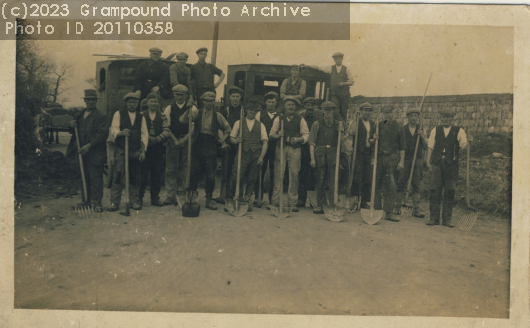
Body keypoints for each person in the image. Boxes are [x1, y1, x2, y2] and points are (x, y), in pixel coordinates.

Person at [179, 92, 231, 210]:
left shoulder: (218, 115)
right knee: (194, 172)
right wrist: (188, 109)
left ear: (214, 102)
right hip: (197, 143)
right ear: (203, 102)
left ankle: (209, 199)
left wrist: (221, 140)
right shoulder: (197, 113)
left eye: (211, 101)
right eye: (207, 101)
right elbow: (183, 120)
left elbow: (228, 128)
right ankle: (191, 197)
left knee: (210, 175)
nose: (209, 103)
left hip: (211, 145)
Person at [67, 89, 108, 212]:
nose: (91, 102)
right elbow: (73, 131)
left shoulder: (101, 116)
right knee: (83, 175)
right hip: (81, 152)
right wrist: (71, 125)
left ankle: (96, 202)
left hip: (95, 152)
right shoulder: (80, 115)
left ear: (96, 101)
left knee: (95, 177)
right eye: (88, 99)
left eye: (93, 100)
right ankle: (86, 199)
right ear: (85, 101)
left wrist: (89, 146)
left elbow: (101, 134)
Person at [426, 108, 467, 227]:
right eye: (443, 117)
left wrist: (468, 143)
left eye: (448, 117)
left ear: (452, 119)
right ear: (441, 118)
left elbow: (464, 146)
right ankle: (433, 218)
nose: (445, 119)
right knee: (434, 190)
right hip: (437, 163)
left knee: (450, 191)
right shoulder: (435, 130)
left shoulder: (459, 131)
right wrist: (428, 161)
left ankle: (446, 219)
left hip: (452, 165)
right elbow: (430, 147)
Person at [107, 92, 148, 211]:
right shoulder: (119, 114)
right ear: (126, 103)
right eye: (130, 102)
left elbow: (144, 135)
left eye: (135, 102)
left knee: (135, 176)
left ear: (137, 103)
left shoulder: (141, 117)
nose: (132, 104)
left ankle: (133, 201)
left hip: (135, 150)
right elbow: (114, 129)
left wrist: (143, 151)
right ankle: (115, 202)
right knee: (118, 176)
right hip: (121, 150)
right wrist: (121, 133)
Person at [226, 98, 268, 212]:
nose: (252, 112)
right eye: (250, 110)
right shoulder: (238, 122)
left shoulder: (261, 125)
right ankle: (233, 199)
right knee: (236, 176)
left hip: (256, 155)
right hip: (242, 153)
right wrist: (236, 140)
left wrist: (261, 157)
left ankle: (246, 200)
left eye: (255, 111)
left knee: (252, 178)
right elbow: (231, 138)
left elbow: (265, 142)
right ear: (246, 111)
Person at [269, 97, 310, 212]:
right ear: (285, 106)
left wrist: (298, 139)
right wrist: (278, 135)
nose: (290, 107)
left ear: (296, 107)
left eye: (293, 105)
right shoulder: (279, 118)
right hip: (281, 147)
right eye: (288, 104)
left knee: (294, 175)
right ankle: (275, 202)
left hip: (295, 149)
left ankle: (292, 203)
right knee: (279, 174)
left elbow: (306, 135)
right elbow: (272, 134)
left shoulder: (300, 119)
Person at [163, 85, 197, 205]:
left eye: (182, 95)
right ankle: (170, 195)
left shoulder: (192, 108)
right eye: (177, 94)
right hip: (172, 140)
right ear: (174, 95)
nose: (180, 97)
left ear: (186, 96)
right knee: (171, 168)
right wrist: (174, 140)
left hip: (186, 140)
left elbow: (193, 127)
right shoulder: (169, 108)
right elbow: (166, 126)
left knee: (184, 168)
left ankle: (181, 193)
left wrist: (184, 140)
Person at [308, 101, 344, 214]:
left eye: (330, 110)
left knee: (333, 179)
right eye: (326, 110)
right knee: (321, 179)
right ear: (322, 111)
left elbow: (341, 143)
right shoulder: (317, 124)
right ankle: (320, 205)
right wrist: (313, 158)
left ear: (333, 111)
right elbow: (312, 142)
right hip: (320, 154)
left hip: (333, 154)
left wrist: (341, 133)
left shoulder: (339, 124)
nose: (328, 113)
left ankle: (333, 204)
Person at [373, 104, 406, 222]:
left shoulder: (399, 127)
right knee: (376, 184)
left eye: (390, 112)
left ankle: (389, 212)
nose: (388, 115)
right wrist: (373, 138)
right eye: (386, 113)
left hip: (392, 158)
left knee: (391, 185)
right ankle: (376, 209)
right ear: (383, 114)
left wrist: (401, 161)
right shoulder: (378, 126)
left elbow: (402, 146)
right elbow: (371, 141)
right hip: (380, 157)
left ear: (394, 113)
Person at [139, 93, 170, 207]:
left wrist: (158, 138)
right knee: (142, 173)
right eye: (151, 101)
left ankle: (155, 198)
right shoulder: (141, 115)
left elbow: (166, 130)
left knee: (156, 173)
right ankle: (139, 198)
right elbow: (138, 131)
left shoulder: (162, 116)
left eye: (155, 101)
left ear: (158, 103)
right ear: (147, 103)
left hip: (157, 148)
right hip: (145, 148)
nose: (153, 103)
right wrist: (147, 139)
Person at [395, 107, 428, 217]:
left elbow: (426, 146)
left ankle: (416, 209)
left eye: (416, 116)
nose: (414, 118)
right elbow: (398, 145)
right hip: (405, 159)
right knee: (401, 182)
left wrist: (422, 136)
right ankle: (397, 206)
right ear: (408, 117)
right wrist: (400, 160)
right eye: (411, 116)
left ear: (418, 118)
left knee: (416, 184)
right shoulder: (402, 129)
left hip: (417, 160)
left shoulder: (421, 128)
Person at [216, 86, 245, 204]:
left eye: (237, 96)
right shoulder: (225, 111)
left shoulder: (244, 111)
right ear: (229, 97)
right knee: (226, 170)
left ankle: (237, 195)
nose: (235, 99)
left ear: (240, 97)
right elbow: (219, 128)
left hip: (240, 145)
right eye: (233, 96)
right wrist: (223, 141)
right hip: (228, 145)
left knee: (239, 170)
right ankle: (223, 196)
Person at [305, 53, 354, 121]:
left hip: (344, 94)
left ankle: (343, 127)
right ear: (334, 60)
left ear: (342, 59)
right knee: (335, 110)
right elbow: (319, 67)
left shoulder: (346, 69)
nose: (338, 60)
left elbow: (351, 82)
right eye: (336, 59)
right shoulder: (330, 68)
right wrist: (307, 65)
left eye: (339, 58)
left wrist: (344, 83)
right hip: (334, 94)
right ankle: (341, 124)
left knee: (343, 112)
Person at [347, 103, 375, 209]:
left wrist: (373, 140)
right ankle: (354, 202)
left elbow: (372, 138)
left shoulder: (372, 123)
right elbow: (351, 132)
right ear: (361, 111)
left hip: (368, 153)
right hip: (358, 153)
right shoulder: (356, 122)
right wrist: (355, 119)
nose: (367, 113)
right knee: (356, 177)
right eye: (365, 110)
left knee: (367, 178)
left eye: (369, 111)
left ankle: (364, 202)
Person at [255, 91, 280, 205]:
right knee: (260, 170)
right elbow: (256, 129)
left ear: (276, 103)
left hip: (275, 147)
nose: (271, 104)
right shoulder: (260, 114)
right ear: (265, 103)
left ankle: (271, 200)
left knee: (274, 173)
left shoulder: (280, 115)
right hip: (263, 147)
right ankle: (258, 197)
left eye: (273, 102)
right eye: (269, 102)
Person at [297, 97, 321, 208]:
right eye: (308, 105)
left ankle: (314, 201)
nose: (310, 107)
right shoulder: (300, 117)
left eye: (312, 105)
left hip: (316, 149)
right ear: (305, 106)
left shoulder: (320, 117)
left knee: (315, 176)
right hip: (304, 149)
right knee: (303, 174)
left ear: (315, 106)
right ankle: (302, 199)